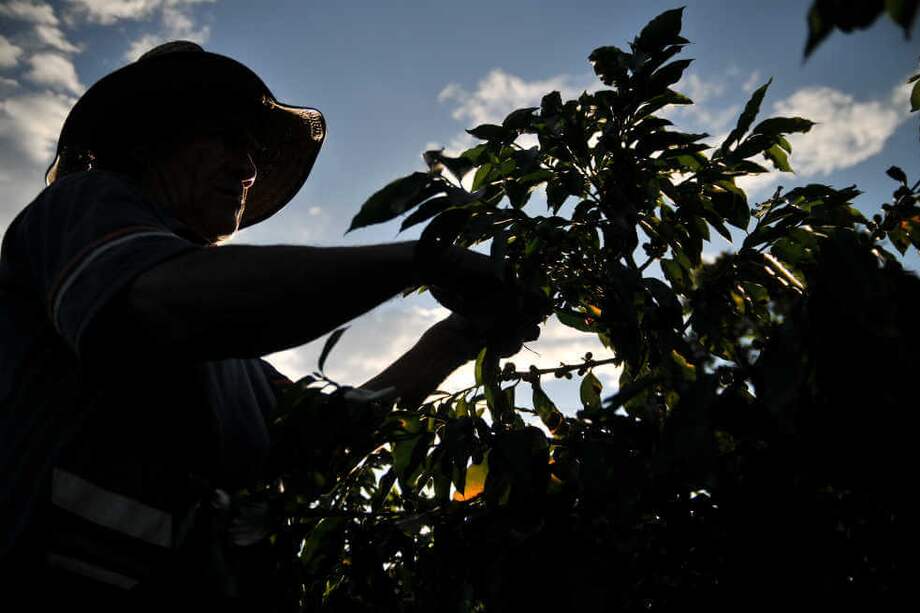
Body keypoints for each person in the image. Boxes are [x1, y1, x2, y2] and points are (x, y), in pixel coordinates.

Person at [0, 41, 541, 609]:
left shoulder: (227, 361)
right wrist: (422, 259)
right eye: (225, 139)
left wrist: (456, 337)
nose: (247, 168)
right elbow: (162, 305)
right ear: (148, 141)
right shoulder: (83, 209)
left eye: (253, 149)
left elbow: (317, 440)